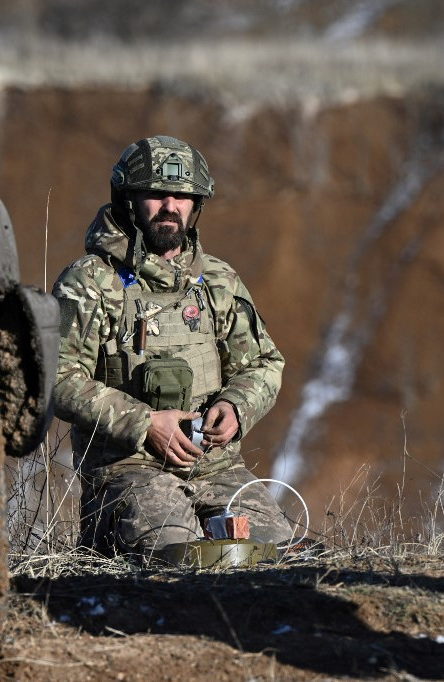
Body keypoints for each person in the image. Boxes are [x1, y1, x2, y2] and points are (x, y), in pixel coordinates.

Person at [51, 135, 294, 562]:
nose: (170, 206)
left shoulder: (219, 281)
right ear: (128, 200)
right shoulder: (89, 282)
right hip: (129, 471)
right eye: (156, 194)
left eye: (182, 196)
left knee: (277, 557)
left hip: (218, 470)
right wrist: (145, 423)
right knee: (177, 558)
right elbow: (56, 376)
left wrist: (237, 407)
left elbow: (264, 363)